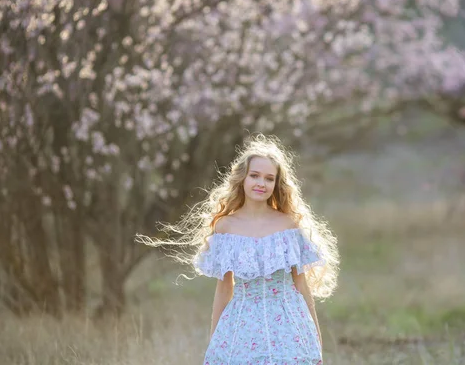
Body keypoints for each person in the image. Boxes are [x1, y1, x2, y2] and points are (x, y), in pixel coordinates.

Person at [141, 134, 339, 364]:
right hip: (243, 325)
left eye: (269, 178)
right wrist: (215, 339)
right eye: (254, 175)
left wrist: (316, 336)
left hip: (289, 324)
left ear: (276, 184)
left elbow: (301, 284)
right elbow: (224, 289)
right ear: (242, 179)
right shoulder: (226, 228)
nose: (261, 183)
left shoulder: (288, 225)